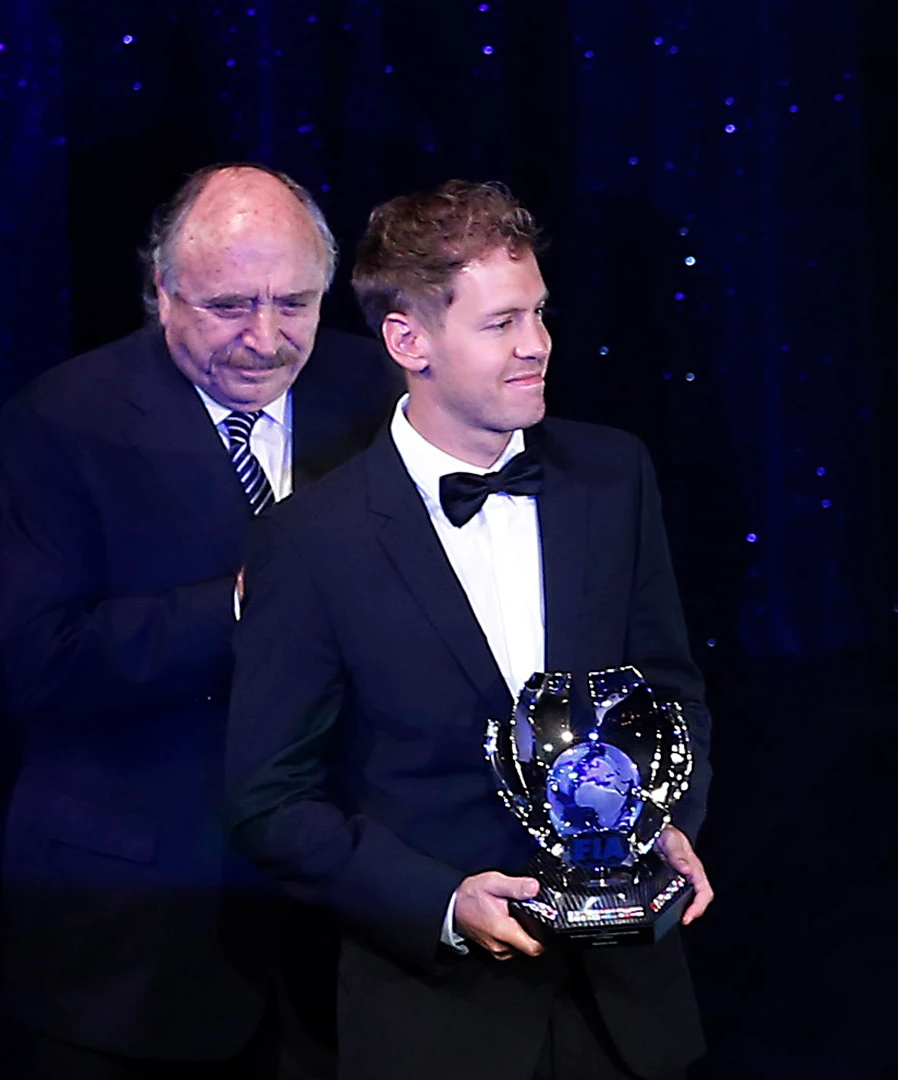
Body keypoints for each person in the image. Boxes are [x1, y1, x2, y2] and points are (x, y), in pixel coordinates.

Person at [222, 180, 715, 1080]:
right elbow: (270, 803)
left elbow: (669, 690)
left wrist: (671, 822)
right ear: (408, 341)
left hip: (632, 1019)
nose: (538, 347)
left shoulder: (612, 475)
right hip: (436, 1025)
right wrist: (441, 903)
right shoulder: (310, 541)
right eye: (500, 325)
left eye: (538, 314)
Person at [0, 163, 396, 1078]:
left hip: (340, 938)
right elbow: (39, 664)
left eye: (294, 302)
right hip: (132, 943)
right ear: (161, 291)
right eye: (228, 306)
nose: (265, 339)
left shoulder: (382, 397)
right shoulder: (59, 421)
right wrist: (247, 603)